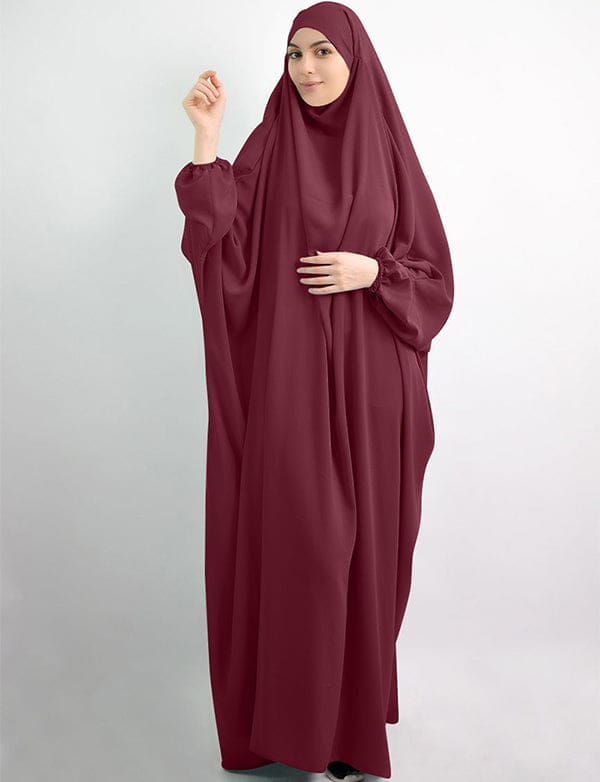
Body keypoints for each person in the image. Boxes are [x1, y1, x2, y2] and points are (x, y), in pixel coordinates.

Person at [173, 3, 454, 780]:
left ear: (355, 59)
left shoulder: (389, 152)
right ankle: (290, 732)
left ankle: (344, 736)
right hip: (292, 389)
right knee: (309, 551)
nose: (306, 68)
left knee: (365, 565)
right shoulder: (270, 146)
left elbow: (436, 281)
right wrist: (207, 140)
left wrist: (374, 273)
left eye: (323, 51)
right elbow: (220, 248)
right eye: (294, 53)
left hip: (375, 394)